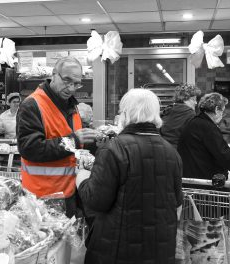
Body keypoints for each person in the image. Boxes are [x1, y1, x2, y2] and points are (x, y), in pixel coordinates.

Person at [76, 88, 183, 264]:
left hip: (118, 248)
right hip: (160, 248)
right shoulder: (170, 151)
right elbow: (177, 202)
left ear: (125, 113)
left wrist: (81, 177)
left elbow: (97, 201)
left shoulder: (113, 149)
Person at [17, 56, 98, 217]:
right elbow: (30, 148)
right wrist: (74, 140)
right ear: (53, 75)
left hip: (69, 191)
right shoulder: (32, 105)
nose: (71, 88)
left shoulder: (71, 105)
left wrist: (93, 142)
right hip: (42, 197)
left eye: (76, 83)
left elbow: (74, 145)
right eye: (67, 80)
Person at [178, 92, 230, 183]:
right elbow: (227, 158)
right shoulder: (207, 127)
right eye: (222, 111)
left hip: (191, 180)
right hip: (203, 184)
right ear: (217, 109)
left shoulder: (194, 122)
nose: (222, 116)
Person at [160, 83, 201, 149]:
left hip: (163, 148)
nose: (196, 103)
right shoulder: (190, 114)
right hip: (178, 151)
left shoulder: (168, 110)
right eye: (193, 99)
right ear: (184, 98)